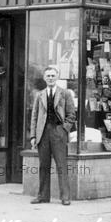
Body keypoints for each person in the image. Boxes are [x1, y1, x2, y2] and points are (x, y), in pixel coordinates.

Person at [30, 66, 76, 205]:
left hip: (58, 131)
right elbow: (34, 116)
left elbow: (71, 114)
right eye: (48, 76)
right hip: (42, 133)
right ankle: (43, 196)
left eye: (53, 75)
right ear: (44, 78)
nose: (50, 78)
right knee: (43, 165)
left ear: (57, 77)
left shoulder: (65, 93)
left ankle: (65, 197)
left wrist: (64, 129)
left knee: (61, 165)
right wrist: (33, 136)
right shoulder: (39, 95)